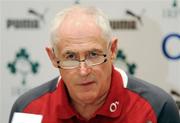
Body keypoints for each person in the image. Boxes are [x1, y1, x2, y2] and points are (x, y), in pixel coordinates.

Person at [9, 5, 180, 123]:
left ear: (112, 50)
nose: (83, 71)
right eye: (70, 56)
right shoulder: (27, 109)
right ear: (53, 58)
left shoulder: (157, 107)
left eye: (93, 54)